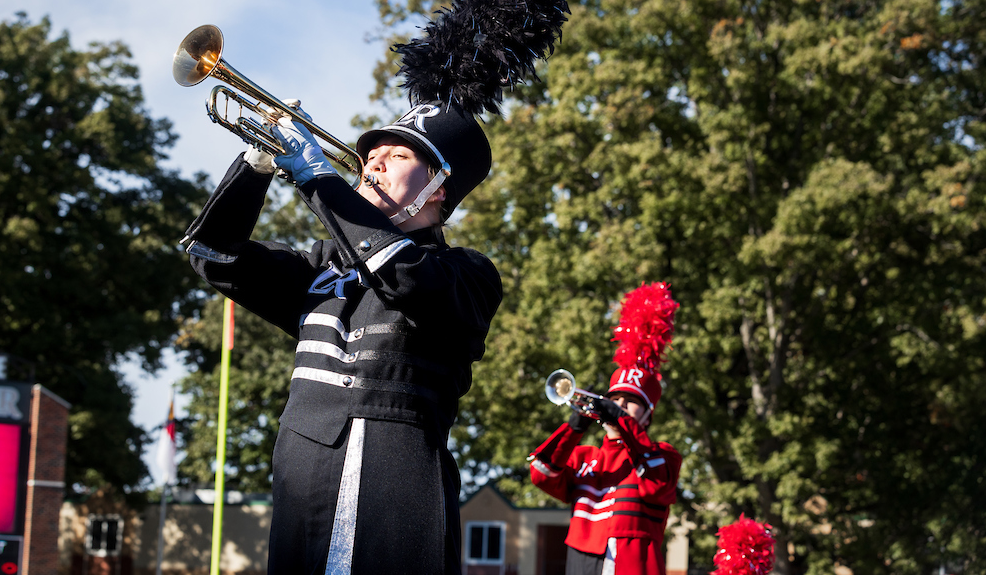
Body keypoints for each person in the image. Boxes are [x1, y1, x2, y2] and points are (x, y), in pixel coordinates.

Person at [182, 102, 501, 575]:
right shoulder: (321, 263)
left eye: (399, 156)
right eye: (372, 153)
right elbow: (212, 255)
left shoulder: (468, 273)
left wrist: (317, 177)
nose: (373, 162)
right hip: (303, 471)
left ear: (438, 188)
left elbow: (400, 273)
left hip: (395, 485)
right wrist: (255, 166)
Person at [529, 284, 683, 575]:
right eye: (615, 400)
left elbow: (656, 483)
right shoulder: (584, 456)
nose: (621, 407)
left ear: (647, 416)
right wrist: (573, 428)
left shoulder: (664, 456)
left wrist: (622, 422)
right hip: (582, 560)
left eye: (631, 403)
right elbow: (542, 474)